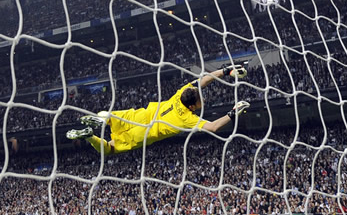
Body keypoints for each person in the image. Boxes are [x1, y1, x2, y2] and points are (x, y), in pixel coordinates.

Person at [66, 65, 249, 154]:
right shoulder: (187, 118)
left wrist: (226, 71)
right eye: (201, 99)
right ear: (192, 106)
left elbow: (204, 80)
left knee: (110, 116)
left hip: (141, 114)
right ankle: (90, 136)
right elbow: (213, 127)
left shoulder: (181, 93)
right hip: (146, 131)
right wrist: (233, 113)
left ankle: (100, 120)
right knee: (109, 149)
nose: (204, 98)